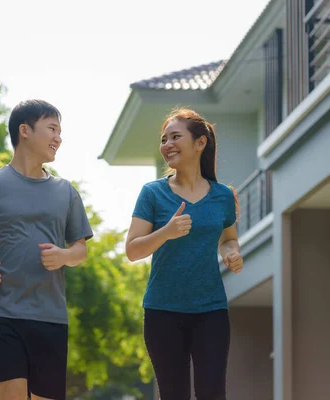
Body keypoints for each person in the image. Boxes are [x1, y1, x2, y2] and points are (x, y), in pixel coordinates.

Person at [0, 99, 93, 400]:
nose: (58, 138)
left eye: (60, 132)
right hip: (2, 312)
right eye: (52, 128)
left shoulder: (66, 191)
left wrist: (63, 256)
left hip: (50, 315)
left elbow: (80, 250)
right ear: (24, 130)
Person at [125, 107, 243, 400]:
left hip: (211, 311)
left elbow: (228, 239)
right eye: (163, 140)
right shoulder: (152, 193)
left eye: (175, 137)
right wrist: (166, 232)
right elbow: (132, 250)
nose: (167, 145)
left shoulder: (223, 196)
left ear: (200, 142)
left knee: (212, 393)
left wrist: (232, 253)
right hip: (163, 311)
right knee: (173, 394)